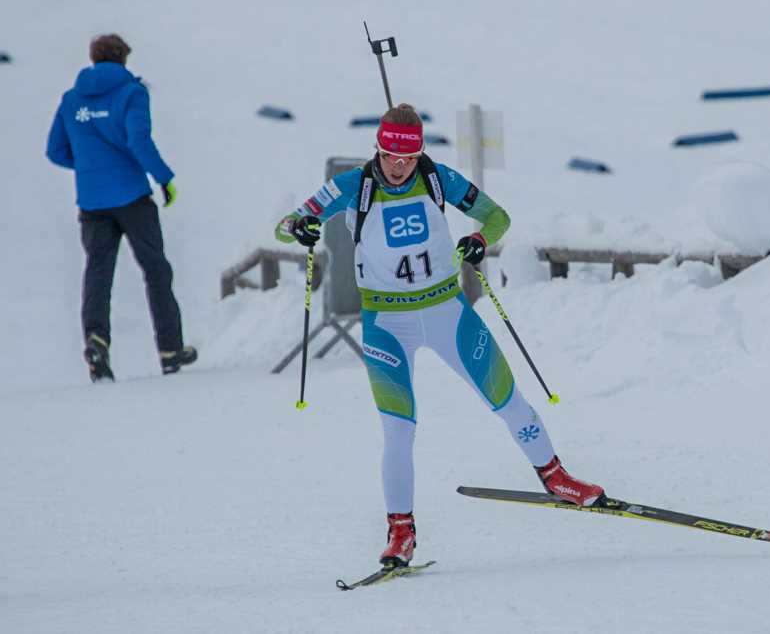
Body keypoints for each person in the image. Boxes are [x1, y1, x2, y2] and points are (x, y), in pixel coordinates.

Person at [274, 104, 605, 568]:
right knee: (398, 429)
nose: (398, 166)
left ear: (419, 153)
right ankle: (401, 531)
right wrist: (301, 226)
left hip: (446, 310)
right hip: (387, 322)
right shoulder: (354, 185)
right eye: (390, 155)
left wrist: (480, 240)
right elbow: (286, 226)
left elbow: (498, 218)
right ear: (378, 148)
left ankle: (556, 478)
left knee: (508, 399)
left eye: (407, 158)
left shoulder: (438, 178)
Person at [45, 34, 197, 382]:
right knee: (155, 270)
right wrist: (164, 178)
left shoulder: (71, 100)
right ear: (124, 59)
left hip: (92, 202)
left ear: (94, 59)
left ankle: (96, 342)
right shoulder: (132, 93)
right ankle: (171, 349)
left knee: (98, 272)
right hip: (132, 198)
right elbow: (138, 139)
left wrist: (90, 166)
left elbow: (55, 150)